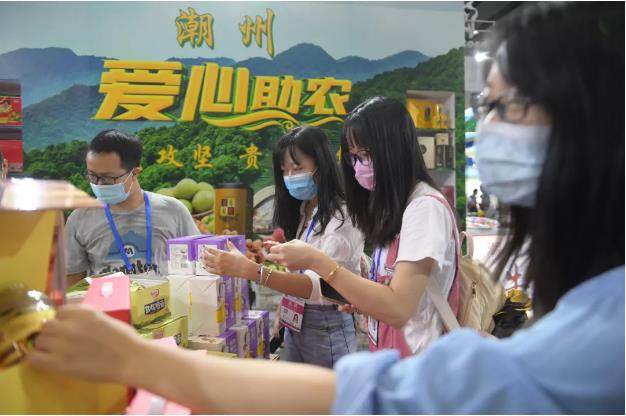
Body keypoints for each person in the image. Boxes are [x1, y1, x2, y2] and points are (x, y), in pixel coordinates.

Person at [27, 3, 624, 414]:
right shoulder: (589, 300)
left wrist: (142, 360)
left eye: (504, 107)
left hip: (397, 351)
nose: (486, 130)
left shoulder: (592, 340)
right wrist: (296, 270)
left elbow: (386, 327)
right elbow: (358, 294)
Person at [269, 96, 459, 356]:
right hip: (393, 354)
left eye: (366, 155)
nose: (359, 167)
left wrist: (316, 261)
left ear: (393, 149)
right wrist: (361, 299)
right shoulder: (396, 210)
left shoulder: (424, 208)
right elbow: (388, 290)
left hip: (422, 361)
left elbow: (398, 308)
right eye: (354, 157)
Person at [201, 126, 363, 368]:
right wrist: (285, 308)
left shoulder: (342, 216)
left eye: (297, 168)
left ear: (321, 166)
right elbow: (302, 275)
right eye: (284, 170)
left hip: (327, 325)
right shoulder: (304, 209)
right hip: (297, 320)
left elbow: (321, 286)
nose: (290, 177)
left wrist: (251, 271)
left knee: (324, 392)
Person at [65, 130, 198, 285]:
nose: (99, 184)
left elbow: (198, 265)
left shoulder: (173, 210)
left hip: (164, 299)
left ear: (134, 173)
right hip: (105, 300)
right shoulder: (79, 219)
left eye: (108, 178)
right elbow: (73, 280)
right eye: (92, 176)